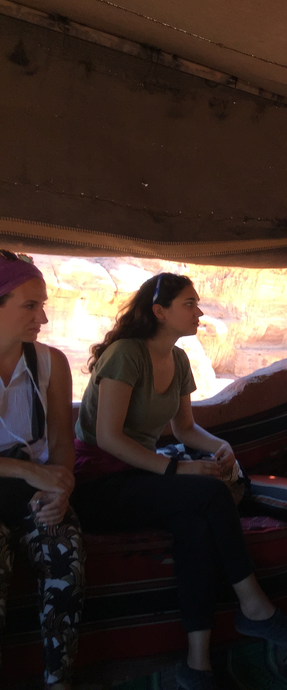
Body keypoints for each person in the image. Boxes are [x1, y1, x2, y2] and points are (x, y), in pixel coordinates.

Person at [71, 273, 287, 690]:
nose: (199, 311)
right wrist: (176, 469)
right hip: (97, 483)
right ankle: (254, 606)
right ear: (159, 311)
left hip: (138, 475)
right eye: (189, 303)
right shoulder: (126, 354)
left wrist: (222, 446)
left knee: (196, 524)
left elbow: (184, 429)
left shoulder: (179, 360)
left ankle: (197, 662)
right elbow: (109, 437)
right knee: (208, 492)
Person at [0, 252, 83, 690]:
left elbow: (63, 442)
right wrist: (26, 472)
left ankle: (58, 678)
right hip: (18, 481)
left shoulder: (50, 364)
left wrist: (61, 488)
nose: (43, 318)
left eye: (43, 304)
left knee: (63, 546)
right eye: (30, 306)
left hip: (34, 490)